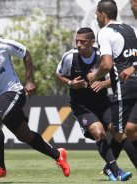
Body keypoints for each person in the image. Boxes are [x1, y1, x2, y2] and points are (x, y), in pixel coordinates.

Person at [0, 18, 70, 181]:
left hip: (14, 93)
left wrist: (29, 80)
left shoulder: (2, 45)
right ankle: (58, 155)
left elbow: (26, 54)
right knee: (24, 136)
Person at [55, 27, 132, 181]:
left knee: (118, 131)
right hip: (81, 106)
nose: (78, 44)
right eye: (77, 41)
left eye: (82, 42)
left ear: (92, 42)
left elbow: (119, 77)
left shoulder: (103, 57)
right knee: (99, 132)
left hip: (103, 103)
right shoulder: (70, 57)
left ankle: (108, 168)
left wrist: (103, 84)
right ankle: (116, 171)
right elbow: (58, 74)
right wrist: (70, 83)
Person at [88, 0, 137, 170]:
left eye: (96, 14)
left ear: (103, 14)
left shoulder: (105, 32)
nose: (96, 17)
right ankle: (110, 168)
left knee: (120, 132)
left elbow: (107, 65)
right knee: (129, 130)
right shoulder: (132, 30)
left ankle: (111, 168)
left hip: (125, 90)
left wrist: (94, 76)